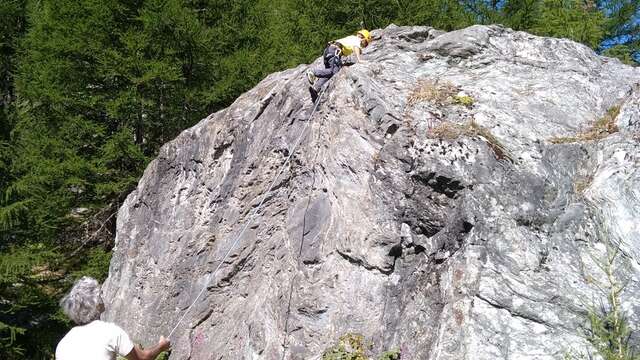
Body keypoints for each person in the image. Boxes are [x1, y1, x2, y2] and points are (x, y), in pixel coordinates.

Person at [56, 276, 171, 360]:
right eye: (100, 294)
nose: (102, 297)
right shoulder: (108, 331)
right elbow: (143, 358)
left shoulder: (63, 343)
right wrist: (161, 347)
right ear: (96, 302)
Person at [306, 29, 372, 102]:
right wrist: (359, 60)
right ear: (363, 38)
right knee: (334, 72)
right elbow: (356, 47)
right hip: (334, 51)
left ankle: (315, 89)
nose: (364, 45)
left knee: (329, 73)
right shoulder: (357, 40)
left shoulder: (352, 38)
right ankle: (313, 72)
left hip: (329, 50)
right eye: (365, 43)